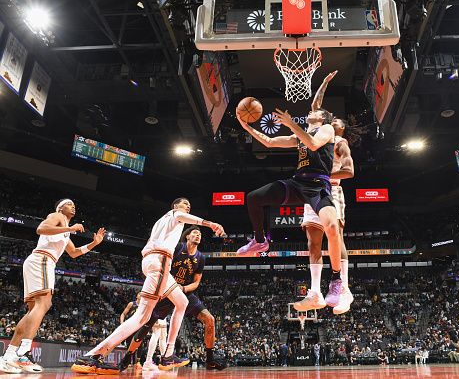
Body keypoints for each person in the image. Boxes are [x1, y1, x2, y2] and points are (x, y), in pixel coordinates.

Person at [72, 198, 225, 374]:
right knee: (141, 317)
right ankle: (94, 356)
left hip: (157, 265)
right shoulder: (174, 215)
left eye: (190, 205)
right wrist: (210, 223)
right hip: (159, 262)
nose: (188, 207)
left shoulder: (166, 223)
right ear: (175, 206)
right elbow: (182, 215)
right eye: (185, 204)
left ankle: (168, 354)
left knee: (181, 302)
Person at [236, 74, 344, 307]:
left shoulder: (327, 129)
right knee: (254, 198)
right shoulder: (301, 135)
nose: (310, 111)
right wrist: (247, 126)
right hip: (297, 183)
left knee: (332, 228)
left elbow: (314, 144)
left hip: (318, 186)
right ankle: (259, 241)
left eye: (314, 112)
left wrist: (290, 122)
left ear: (323, 118)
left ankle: (336, 281)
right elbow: (269, 142)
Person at [0, 199, 105, 374]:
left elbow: (73, 253)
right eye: (69, 203)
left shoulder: (64, 231)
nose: (73, 206)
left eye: (74, 205)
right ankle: (24, 352)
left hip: (42, 261)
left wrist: (94, 244)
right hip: (42, 259)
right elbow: (41, 229)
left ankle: (9, 356)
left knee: (32, 311)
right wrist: (70, 228)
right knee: (44, 304)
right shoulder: (56, 216)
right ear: (60, 208)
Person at [118, 226, 226, 371]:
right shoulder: (177, 247)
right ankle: (127, 358)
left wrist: (183, 289)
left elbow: (196, 282)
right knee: (146, 325)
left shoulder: (200, 258)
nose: (197, 235)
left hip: (184, 292)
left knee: (210, 319)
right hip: (167, 290)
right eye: (194, 233)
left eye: (199, 234)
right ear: (187, 236)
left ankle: (210, 360)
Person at [293, 71, 357, 314]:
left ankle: (345, 289)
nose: (333, 122)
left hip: (332, 190)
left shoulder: (340, 143)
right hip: (312, 190)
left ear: (339, 127)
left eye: (336, 121)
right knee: (312, 241)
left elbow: (349, 172)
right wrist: (324, 82)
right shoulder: (319, 136)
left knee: (336, 237)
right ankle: (316, 292)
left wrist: (324, 176)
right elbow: (315, 106)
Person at [119, 293, 143, 370]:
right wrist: (122, 323)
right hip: (129, 326)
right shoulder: (131, 304)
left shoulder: (143, 306)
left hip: (138, 327)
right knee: (129, 345)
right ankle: (128, 362)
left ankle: (137, 362)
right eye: (140, 294)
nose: (141, 295)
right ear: (137, 296)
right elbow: (123, 314)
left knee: (139, 344)